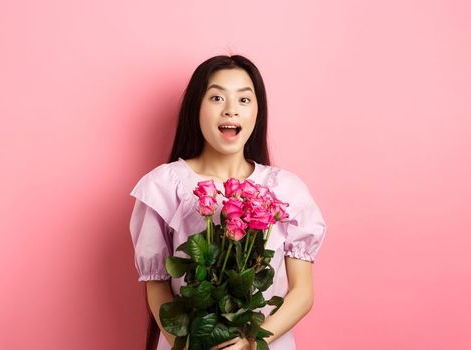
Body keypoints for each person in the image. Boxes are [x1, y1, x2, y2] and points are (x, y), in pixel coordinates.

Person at [129, 55, 327, 350]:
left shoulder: (286, 189)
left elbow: (302, 292)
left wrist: (250, 343)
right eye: (217, 97)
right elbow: (157, 286)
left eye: (244, 100)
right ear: (196, 107)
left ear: (258, 112)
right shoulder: (164, 186)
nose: (231, 110)